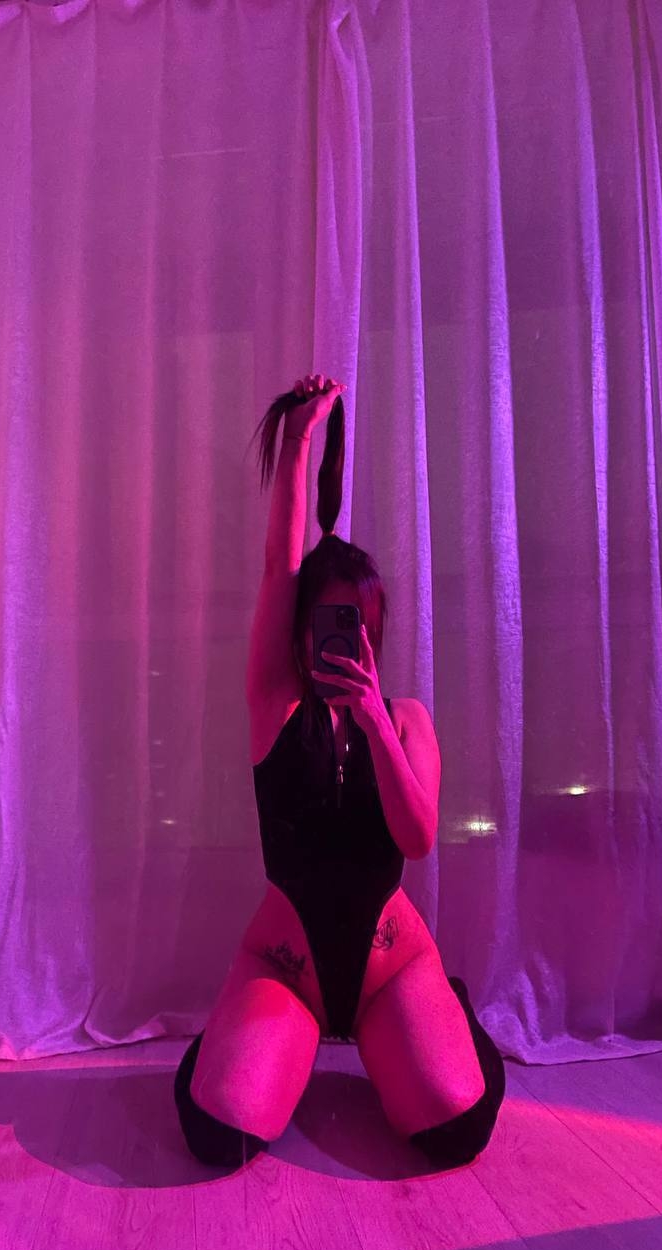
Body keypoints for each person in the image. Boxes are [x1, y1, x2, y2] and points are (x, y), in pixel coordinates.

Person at [174, 373, 506, 1170]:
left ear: (374, 630)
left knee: (455, 1129)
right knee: (219, 1133)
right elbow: (277, 568)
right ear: (300, 629)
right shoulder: (274, 704)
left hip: (392, 966)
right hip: (286, 968)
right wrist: (298, 440)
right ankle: (236, 1033)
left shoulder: (407, 719)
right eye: (326, 621)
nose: (341, 638)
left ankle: (446, 1009)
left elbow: (417, 838)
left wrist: (374, 723)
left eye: (357, 624)